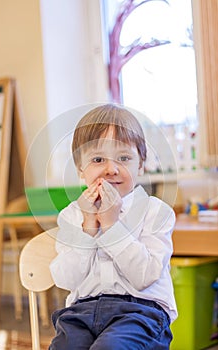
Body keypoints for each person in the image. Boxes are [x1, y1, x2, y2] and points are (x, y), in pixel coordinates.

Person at [49, 104, 177, 350]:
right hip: (80, 312)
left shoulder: (156, 212)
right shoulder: (72, 215)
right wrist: (88, 226)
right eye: (98, 159)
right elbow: (67, 279)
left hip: (140, 312)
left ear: (140, 165)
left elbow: (144, 276)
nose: (112, 169)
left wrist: (110, 224)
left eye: (124, 158)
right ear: (80, 168)